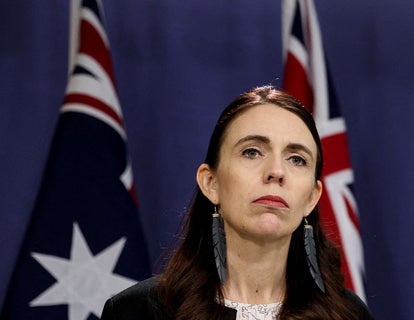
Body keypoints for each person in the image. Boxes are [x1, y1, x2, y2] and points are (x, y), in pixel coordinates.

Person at [100, 86, 374, 320]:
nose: (276, 171)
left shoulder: (348, 315)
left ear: (312, 198)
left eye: (297, 159)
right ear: (211, 183)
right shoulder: (136, 312)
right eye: (252, 152)